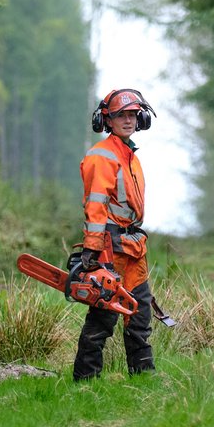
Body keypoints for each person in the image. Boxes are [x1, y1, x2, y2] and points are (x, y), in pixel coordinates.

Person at [73, 87, 157, 381]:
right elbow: (95, 204)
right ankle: (85, 382)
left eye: (134, 114)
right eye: (121, 114)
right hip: (111, 248)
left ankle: (144, 379)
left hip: (134, 247)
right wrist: (92, 249)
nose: (129, 120)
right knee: (103, 318)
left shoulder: (131, 156)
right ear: (106, 119)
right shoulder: (102, 156)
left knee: (140, 316)